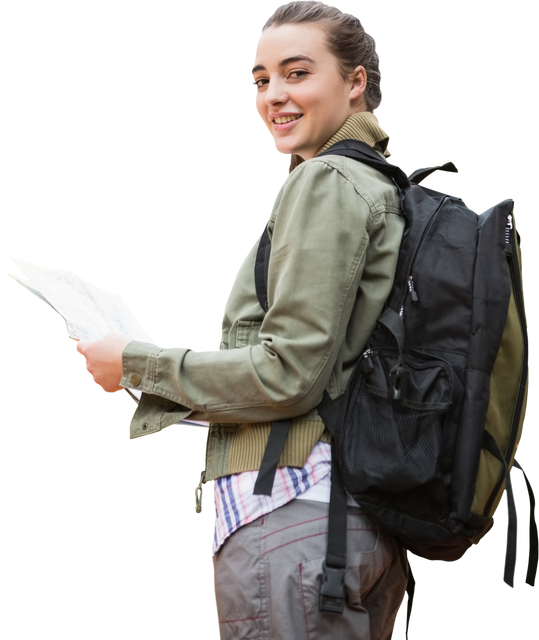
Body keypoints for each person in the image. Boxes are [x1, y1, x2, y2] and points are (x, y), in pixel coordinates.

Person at [73, 1, 409, 638]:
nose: (273, 96)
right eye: (260, 80)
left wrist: (138, 364)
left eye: (298, 73)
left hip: (291, 520)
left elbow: (291, 375)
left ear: (356, 81)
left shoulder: (325, 182)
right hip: (347, 524)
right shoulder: (380, 184)